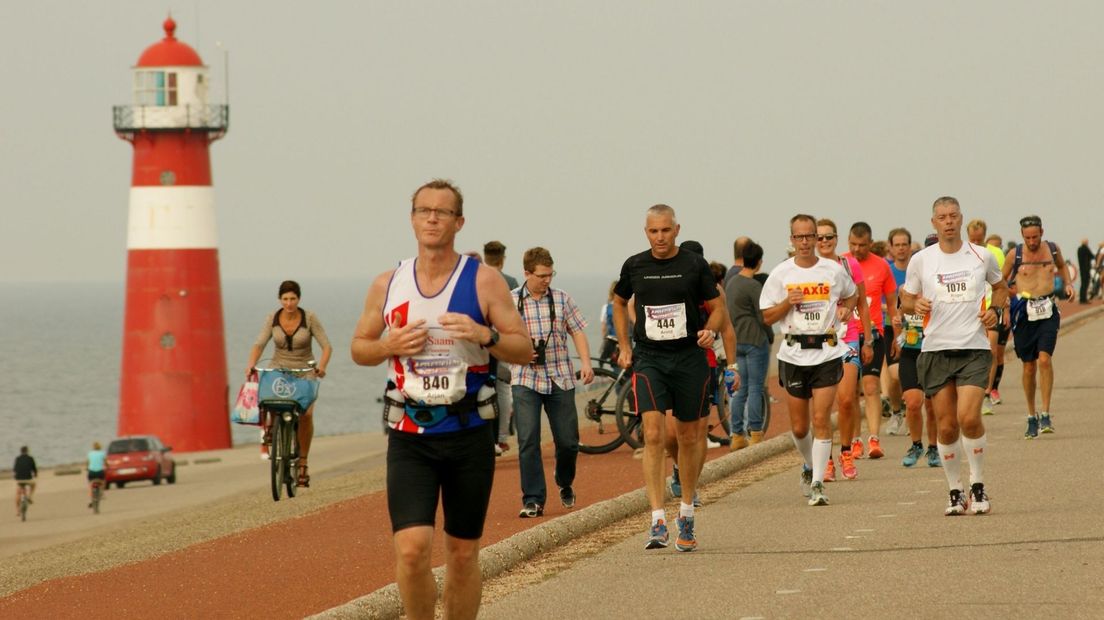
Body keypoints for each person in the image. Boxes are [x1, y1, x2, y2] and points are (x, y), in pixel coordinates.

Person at [351, 179, 532, 620]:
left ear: (459, 222)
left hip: (468, 433)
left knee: (463, 554)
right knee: (412, 552)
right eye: (424, 210)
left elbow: (524, 349)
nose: (433, 218)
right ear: (412, 219)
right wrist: (389, 346)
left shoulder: (484, 282)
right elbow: (360, 348)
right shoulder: (388, 283)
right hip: (410, 435)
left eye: (442, 212)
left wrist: (485, 335)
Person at [612, 205, 735, 553]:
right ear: (645, 232)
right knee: (652, 434)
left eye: (666, 230)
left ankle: (686, 511)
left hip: (689, 358)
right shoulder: (634, 265)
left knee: (689, 436)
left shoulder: (694, 265)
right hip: (650, 358)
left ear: (677, 229)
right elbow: (619, 302)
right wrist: (624, 344)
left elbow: (719, 309)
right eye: (653, 231)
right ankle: (656, 519)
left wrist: (710, 331)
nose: (660, 237)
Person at [900, 196, 1007, 515]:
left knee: (969, 417)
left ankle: (977, 484)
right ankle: (954, 491)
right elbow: (905, 300)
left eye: (953, 216)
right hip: (935, 350)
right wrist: (914, 306)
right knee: (946, 427)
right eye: (942, 217)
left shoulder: (981, 256)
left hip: (973, 348)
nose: (948, 221)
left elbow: (1001, 288)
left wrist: (995, 311)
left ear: (961, 219)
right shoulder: (921, 260)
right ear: (933, 222)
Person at [762, 214, 859, 507]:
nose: (805, 242)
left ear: (817, 238)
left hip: (827, 351)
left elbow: (853, 295)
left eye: (810, 236)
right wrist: (786, 303)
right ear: (791, 240)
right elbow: (766, 316)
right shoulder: (781, 274)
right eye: (799, 237)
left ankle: (818, 482)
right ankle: (808, 465)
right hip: (793, 353)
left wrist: (845, 310)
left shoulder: (833, 270)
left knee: (821, 419)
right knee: (801, 428)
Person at [511, 247, 594, 517]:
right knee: (528, 440)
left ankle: (564, 479)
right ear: (526, 273)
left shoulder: (561, 299)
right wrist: (520, 350)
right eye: (542, 275)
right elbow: (498, 337)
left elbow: (578, 331)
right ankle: (533, 498)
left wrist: (585, 362)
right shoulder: (510, 301)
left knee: (568, 441)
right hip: (525, 377)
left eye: (550, 274)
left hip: (560, 377)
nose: (547, 280)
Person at [245, 280, 334, 486]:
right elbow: (259, 344)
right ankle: (271, 429)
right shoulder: (272, 318)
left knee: (306, 415)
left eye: (292, 298)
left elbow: (326, 346)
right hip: (279, 368)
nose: (289, 303)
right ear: (280, 300)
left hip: (305, 370)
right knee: (270, 400)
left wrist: (321, 367)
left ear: (299, 299)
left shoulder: (309, 318)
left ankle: (302, 463)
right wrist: (251, 364)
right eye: (285, 299)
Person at [1002, 215, 1074, 438]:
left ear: (1042, 232)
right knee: (1029, 366)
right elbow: (1000, 281)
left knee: (1044, 359)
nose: (1032, 242)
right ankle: (1031, 415)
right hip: (1024, 311)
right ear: (1022, 236)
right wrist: (1005, 303)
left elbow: (1062, 266)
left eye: (1035, 237)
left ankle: (1046, 413)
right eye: (1027, 238)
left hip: (1048, 309)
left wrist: (1069, 285)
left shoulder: (1052, 250)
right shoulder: (1015, 255)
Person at [815, 219, 872, 481]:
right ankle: (826, 459)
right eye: (820, 238)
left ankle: (846, 451)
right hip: (817, 341)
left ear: (836, 239)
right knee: (822, 404)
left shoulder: (849, 265)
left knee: (847, 398)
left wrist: (868, 339)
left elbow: (862, 303)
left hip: (847, 337)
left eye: (829, 237)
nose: (824, 242)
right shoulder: (807, 269)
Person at [845, 222, 898, 460]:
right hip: (846, 336)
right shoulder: (840, 263)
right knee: (850, 392)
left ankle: (874, 438)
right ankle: (855, 439)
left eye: (862, 245)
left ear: (870, 242)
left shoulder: (881, 266)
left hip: (872, 334)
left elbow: (892, 303)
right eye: (853, 244)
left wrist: (896, 335)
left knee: (871, 386)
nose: (857, 249)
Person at [895, 232, 942, 469]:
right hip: (912, 349)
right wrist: (898, 327)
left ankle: (934, 447)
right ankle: (916, 444)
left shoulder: (945, 284)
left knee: (932, 405)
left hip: (935, 348)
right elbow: (900, 312)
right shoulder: (907, 286)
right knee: (913, 402)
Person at [725, 240, 771, 448]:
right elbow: (763, 316)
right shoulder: (754, 286)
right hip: (755, 340)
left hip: (737, 341)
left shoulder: (732, 282)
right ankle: (756, 432)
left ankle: (736, 434)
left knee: (739, 390)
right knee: (755, 388)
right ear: (759, 262)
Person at [967, 220, 1009, 416]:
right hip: (970, 312)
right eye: (972, 239)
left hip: (991, 310)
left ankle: (986, 393)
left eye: (979, 239)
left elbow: (1002, 283)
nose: (975, 242)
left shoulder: (995, 254)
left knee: (991, 351)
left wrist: (1003, 309)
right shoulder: (962, 254)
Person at [483, 241, 519, 456]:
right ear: (502, 258)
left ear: (485, 256)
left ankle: (485, 436)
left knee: (481, 388)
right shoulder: (510, 282)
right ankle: (501, 437)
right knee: (503, 387)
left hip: (479, 341)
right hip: (502, 340)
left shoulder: (476, 279)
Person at [597, 281, 621, 367]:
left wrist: (604, 340)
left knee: (603, 362)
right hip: (625, 341)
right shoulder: (627, 306)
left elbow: (604, 327)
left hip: (611, 340)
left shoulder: (606, 307)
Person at [13, 446, 37, 516]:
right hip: (28, 479)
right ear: (27, 451)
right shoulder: (30, 458)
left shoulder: (17, 459)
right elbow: (34, 469)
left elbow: (15, 470)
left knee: (18, 493)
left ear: (21, 451)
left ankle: (17, 511)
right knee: (34, 484)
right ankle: (29, 496)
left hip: (19, 479)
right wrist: (35, 475)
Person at [87, 441, 106, 508]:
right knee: (103, 482)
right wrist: (107, 466)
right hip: (100, 472)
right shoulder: (102, 453)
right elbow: (105, 462)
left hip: (91, 472)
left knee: (90, 485)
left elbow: (88, 463)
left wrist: (87, 468)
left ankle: (90, 500)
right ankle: (102, 493)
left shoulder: (90, 454)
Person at [1077, 238, 1094, 304]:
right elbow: (1091, 256)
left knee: (1083, 283)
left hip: (1081, 268)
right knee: (1085, 283)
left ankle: (1082, 298)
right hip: (1086, 269)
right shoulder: (1086, 248)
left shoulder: (1079, 249)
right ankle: (1084, 299)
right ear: (1085, 242)